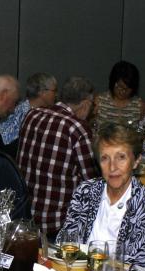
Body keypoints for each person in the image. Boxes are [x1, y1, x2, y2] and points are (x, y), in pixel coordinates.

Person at [57, 124, 145, 267]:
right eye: (105, 158)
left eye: (121, 157)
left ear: (136, 161)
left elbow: (137, 264)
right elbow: (66, 242)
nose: (112, 167)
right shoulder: (85, 191)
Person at [17, 76, 99, 239]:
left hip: (24, 215)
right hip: (56, 223)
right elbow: (92, 182)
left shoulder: (32, 115)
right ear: (85, 104)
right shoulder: (77, 128)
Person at [0, 72, 57, 148]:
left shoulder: (22, 108)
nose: (56, 94)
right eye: (54, 90)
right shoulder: (26, 115)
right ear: (42, 92)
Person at [92, 61, 145, 129]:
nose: (123, 91)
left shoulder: (139, 105)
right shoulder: (99, 100)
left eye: (127, 89)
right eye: (120, 87)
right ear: (113, 82)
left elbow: (143, 131)